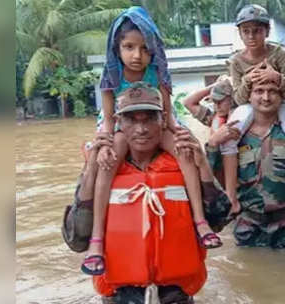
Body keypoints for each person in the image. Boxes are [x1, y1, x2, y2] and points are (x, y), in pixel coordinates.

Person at [85, 7, 219, 276]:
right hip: (123, 126)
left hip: (157, 121)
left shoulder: (157, 73)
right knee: (108, 161)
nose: (137, 55)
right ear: (117, 47)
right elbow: (109, 118)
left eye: (145, 49)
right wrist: (103, 144)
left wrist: (181, 135)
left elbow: (168, 114)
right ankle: (96, 238)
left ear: (153, 49)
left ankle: (200, 221)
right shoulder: (111, 75)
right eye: (129, 47)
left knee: (184, 152)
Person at [89, 82, 208, 303]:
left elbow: (221, 216)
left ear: (163, 120)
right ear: (118, 122)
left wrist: (204, 166)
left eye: (149, 119)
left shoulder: (183, 158)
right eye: (131, 119)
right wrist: (89, 170)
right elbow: (76, 238)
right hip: (120, 293)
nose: (141, 129)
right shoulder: (105, 161)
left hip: (176, 292)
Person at [207, 78, 285, 248]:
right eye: (259, 91)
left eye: (272, 91)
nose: (266, 97)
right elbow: (212, 182)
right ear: (249, 97)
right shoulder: (234, 136)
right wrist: (212, 145)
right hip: (249, 226)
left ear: (282, 96)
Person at [222, 4, 285, 226]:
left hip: (281, 102)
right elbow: (238, 98)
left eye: (257, 30)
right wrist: (248, 79)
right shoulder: (236, 61)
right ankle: (231, 200)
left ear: (267, 31)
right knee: (228, 138)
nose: (252, 36)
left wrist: (276, 77)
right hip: (249, 105)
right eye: (246, 31)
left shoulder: (278, 53)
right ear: (240, 33)